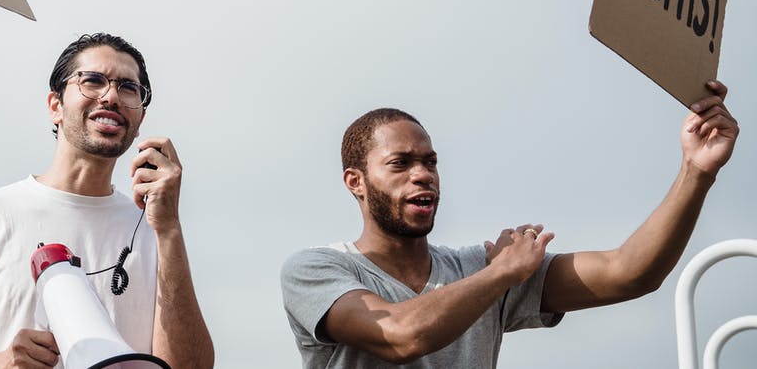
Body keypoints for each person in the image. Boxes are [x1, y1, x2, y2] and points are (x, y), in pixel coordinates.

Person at [280, 80, 739, 368]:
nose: (422, 174)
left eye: (430, 162)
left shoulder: (478, 268)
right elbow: (400, 337)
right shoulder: (315, 270)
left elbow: (630, 271)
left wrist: (696, 172)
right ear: (355, 182)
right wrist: (500, 274)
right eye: (400, 163)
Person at [0, 33, 214, 368]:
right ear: (55, 106)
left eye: (128, 88)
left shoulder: (156, 232)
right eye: (92, 80)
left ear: (139, 122)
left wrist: (169, 230)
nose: (111, 96)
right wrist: (0, 364)